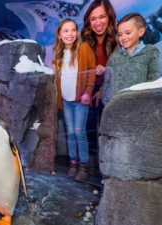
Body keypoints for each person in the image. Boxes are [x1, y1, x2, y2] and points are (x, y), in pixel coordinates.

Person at [53, 18, 96, 181]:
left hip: (80, 100)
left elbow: (91, 70)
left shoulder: (83, 48)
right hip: (65, 100)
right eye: (66, 30)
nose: (70, 34)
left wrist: (88, 92)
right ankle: (73, 163)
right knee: (70, 133)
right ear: (59, 34)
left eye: (73, 30)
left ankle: (84, 166)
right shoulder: (58, 52)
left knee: (79, 132)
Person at [81, 0, 117, 151]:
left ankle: (107, 166)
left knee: (109, 129)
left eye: (102, 17)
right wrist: (91, 69)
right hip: (88, 89)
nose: (98, 23)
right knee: (88, 128)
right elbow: (76, 68)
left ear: (109, 17)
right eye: (93, 19)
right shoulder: (84, 40)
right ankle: (89, 165)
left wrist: (103, 89)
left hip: (111, 90)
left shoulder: (119, 37)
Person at [101, 13, 160, 105]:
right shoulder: (114, 56)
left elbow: (154, 79)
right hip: (116, 106)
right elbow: (107, 82)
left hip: (140, 106)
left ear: (141, 32)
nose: (123, 38)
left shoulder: (150, 52)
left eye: (128, 33)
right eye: (120, 35)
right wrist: (106, 102)